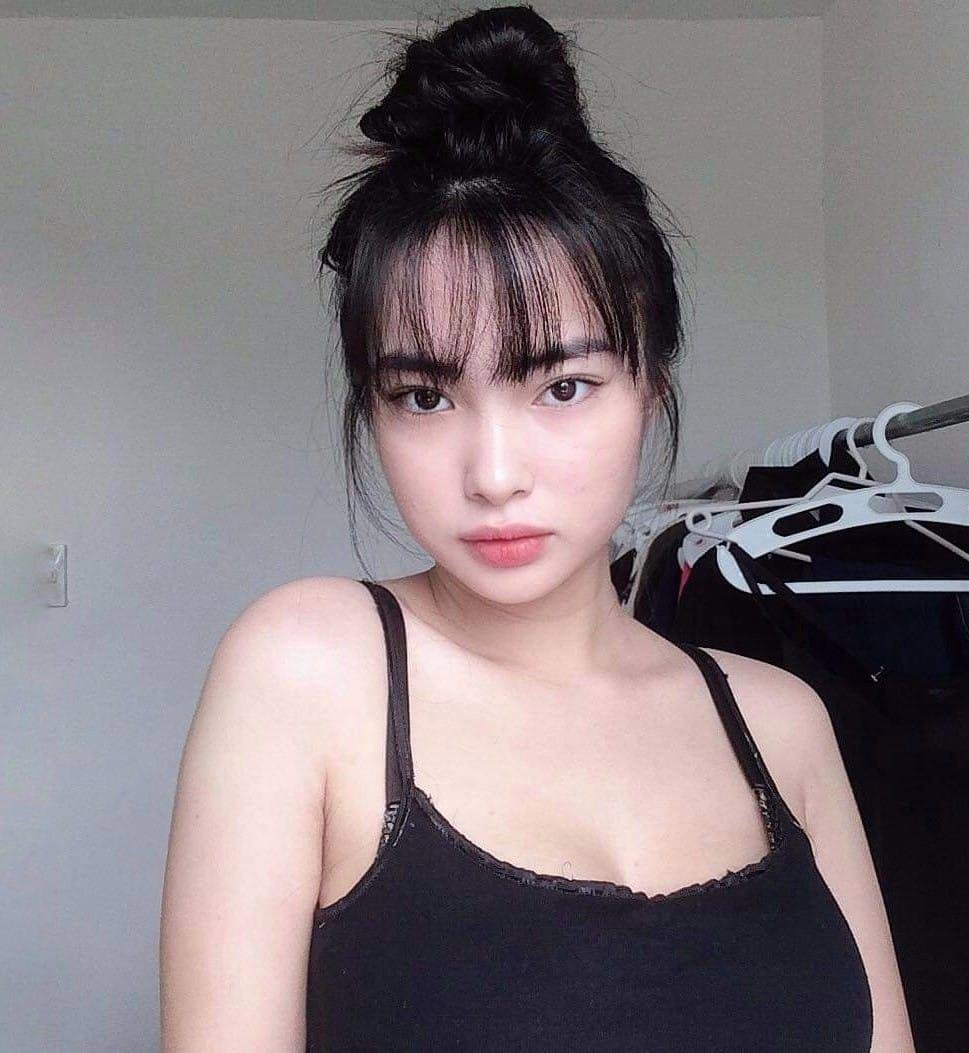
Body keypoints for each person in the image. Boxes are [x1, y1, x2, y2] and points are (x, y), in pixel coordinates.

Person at [159, 5, 914, 1050]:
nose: (495, 474)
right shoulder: (309, 671)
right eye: (424, 396)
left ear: (650, 386)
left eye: (562, 386)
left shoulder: (781, 723)